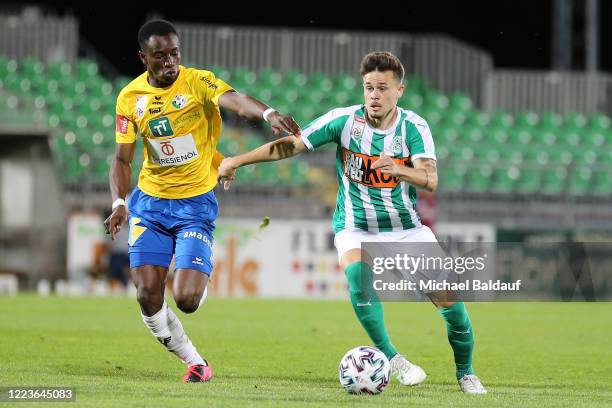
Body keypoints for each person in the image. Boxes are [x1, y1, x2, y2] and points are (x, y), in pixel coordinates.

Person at [217, 51, 487, 394]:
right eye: (369, 88)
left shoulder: (413, 127)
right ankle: (393, 360)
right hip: (354, 226)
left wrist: (399, 169)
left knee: (453, 308)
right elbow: (290, 146)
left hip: (406, 230)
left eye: (383, 88)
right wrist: (236, 161)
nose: (374, 95)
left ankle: (466, 373)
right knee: (358, 278)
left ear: (399, 91)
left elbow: (430, 180)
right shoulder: (343, 121)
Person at [103, 19, 300, 383]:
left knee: (187, 301)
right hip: (151, 204)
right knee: (147, 294)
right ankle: (195, 361)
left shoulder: (197, 81)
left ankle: (197, 271)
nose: (170, 61)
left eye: (174, 52)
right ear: (143, 57)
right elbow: (121, 159)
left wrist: (268, 113)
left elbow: (235, 101)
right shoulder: (129, 98)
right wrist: (119, 202)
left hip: (194, 206)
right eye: (159, 55)